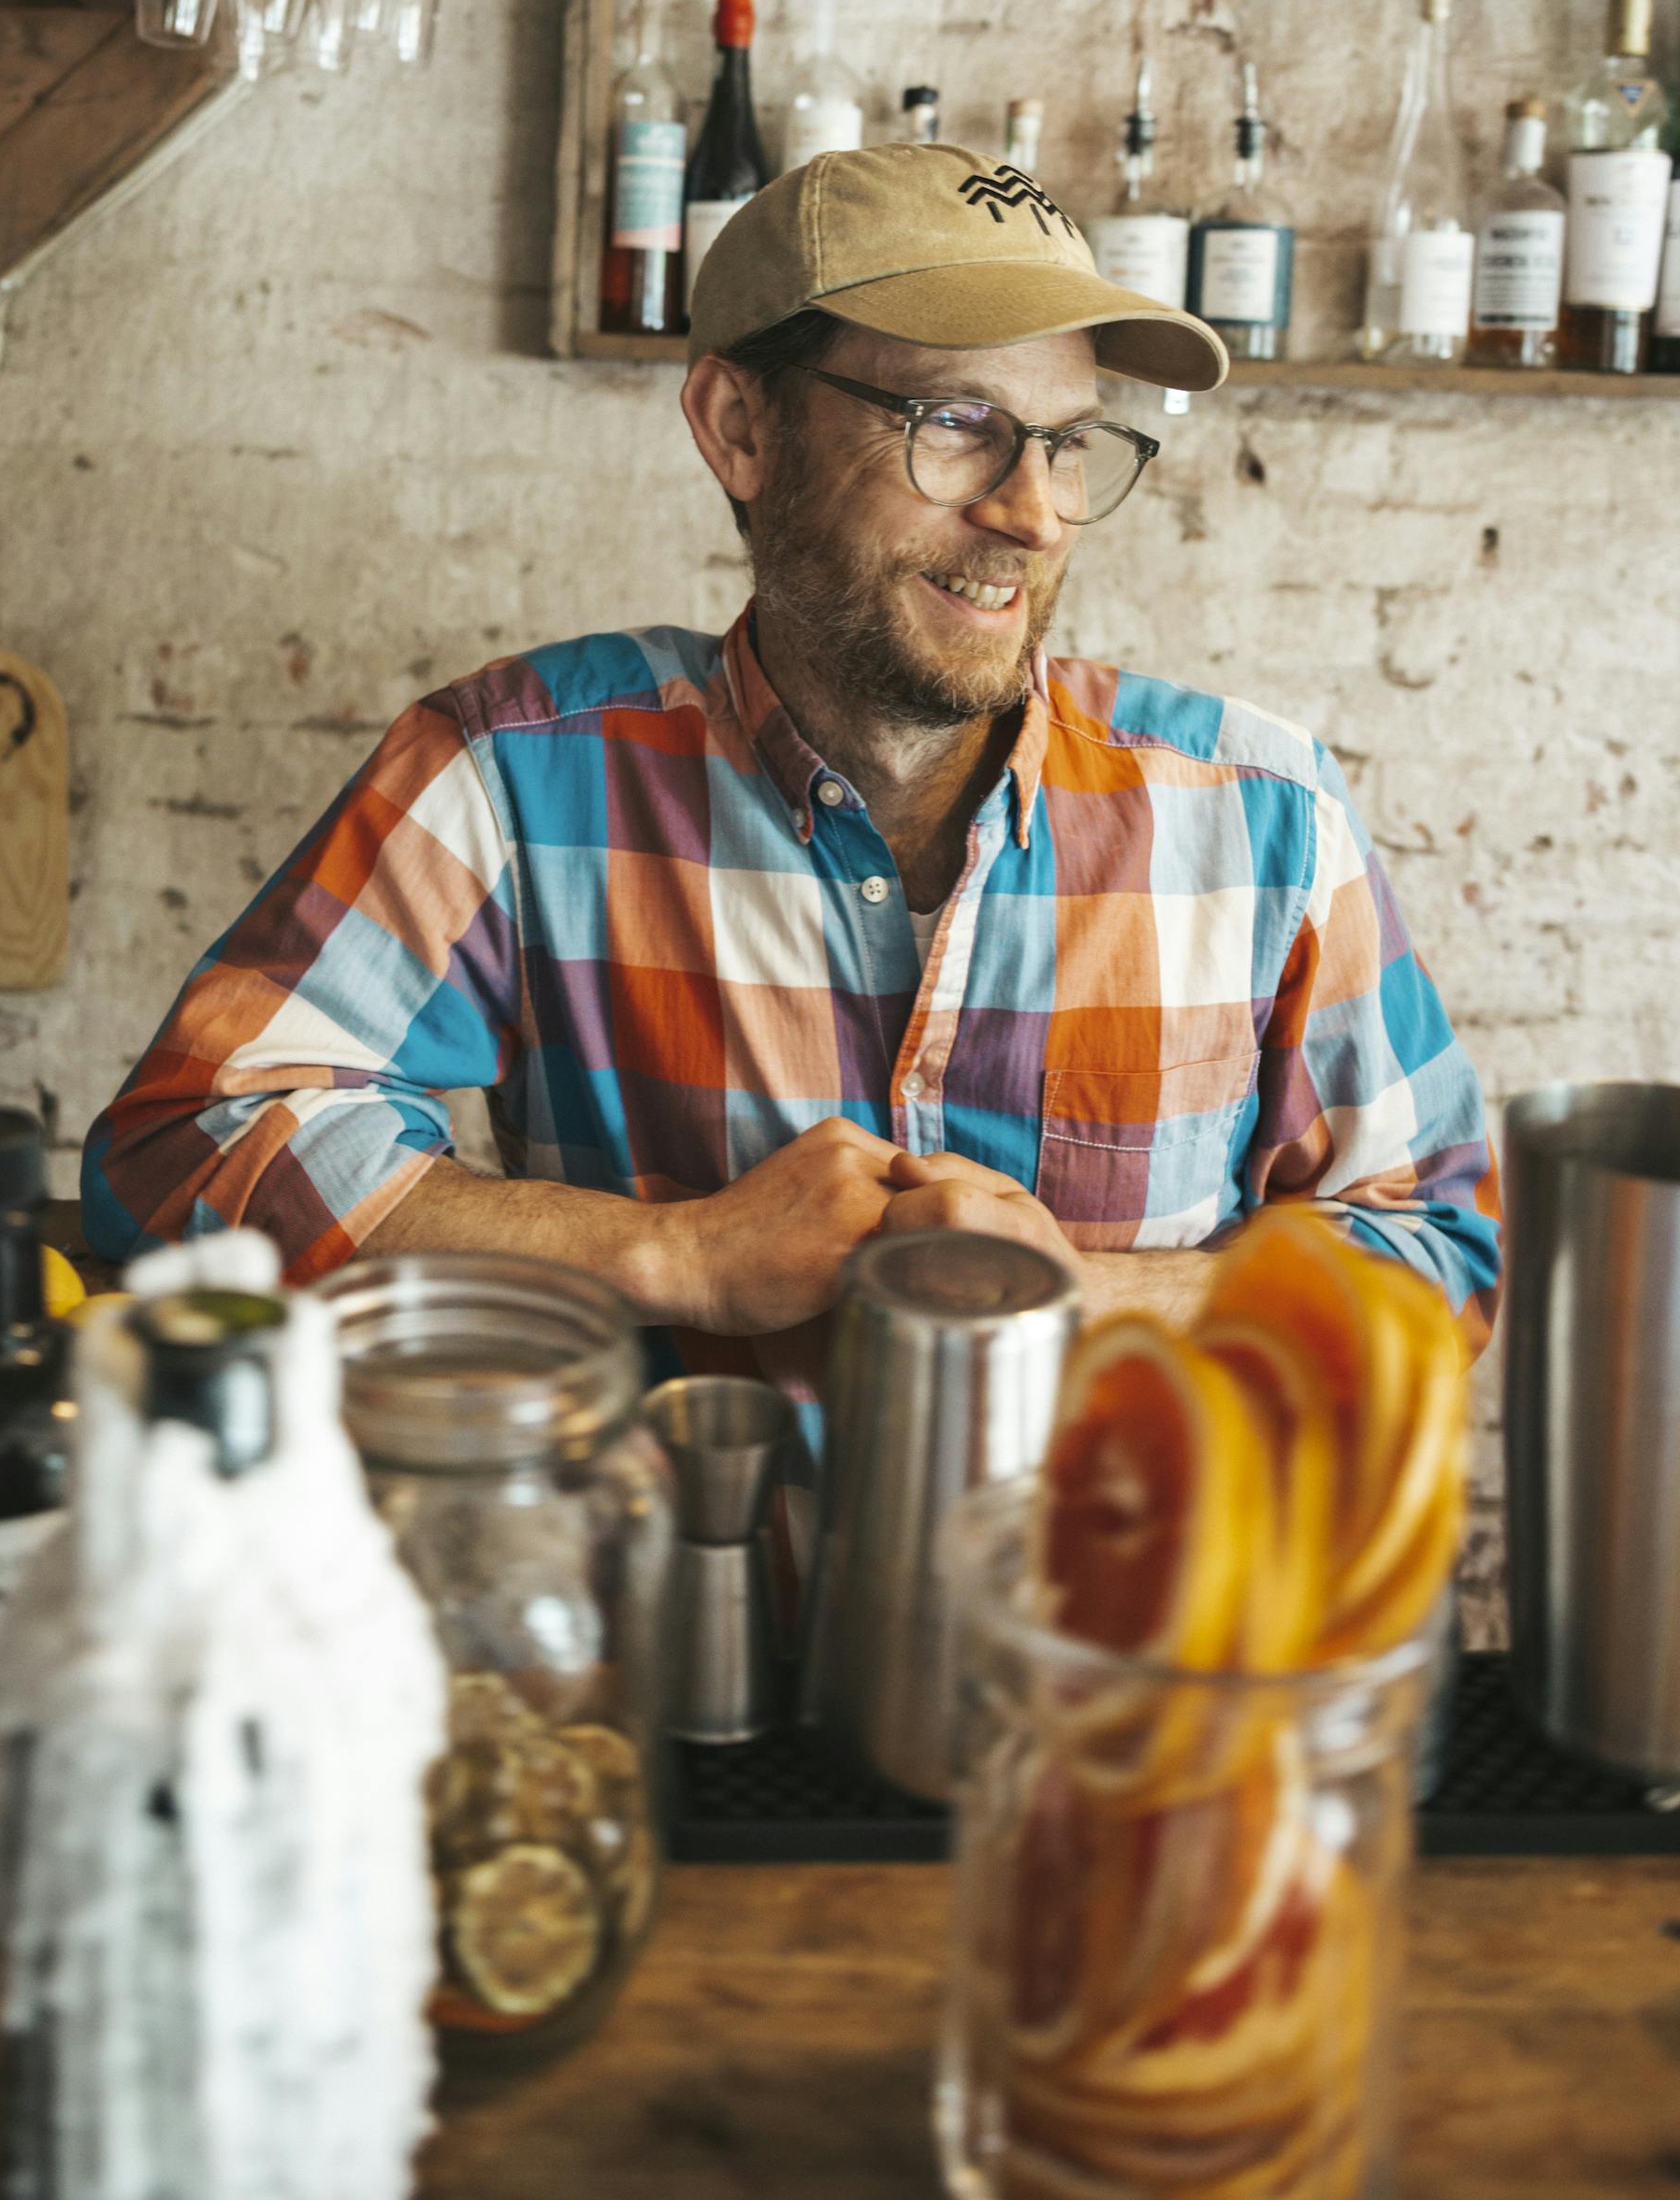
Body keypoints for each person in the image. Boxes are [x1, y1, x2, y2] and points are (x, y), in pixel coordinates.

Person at [83, 144, 1499, 1394]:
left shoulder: (1262, 816)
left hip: (1115, 1664)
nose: (1034, 513)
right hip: (667, 1649)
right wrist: (677, 1256)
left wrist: (1090, 1299)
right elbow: (181, 1158)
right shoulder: (514, 777)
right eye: (956, 424)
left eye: (1069, 444)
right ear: (740, 428)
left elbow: (1438, 1261)